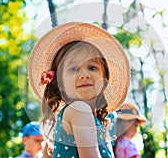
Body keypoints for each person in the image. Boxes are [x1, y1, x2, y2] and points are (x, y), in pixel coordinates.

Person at [27, 22, 130, 158]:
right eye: (73, 69)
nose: (84, 74)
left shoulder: (79, 116)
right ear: (60, 83)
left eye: (92, 67)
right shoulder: (79, 110)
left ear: (104, 79)